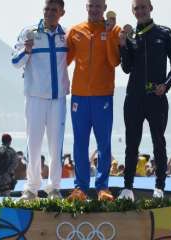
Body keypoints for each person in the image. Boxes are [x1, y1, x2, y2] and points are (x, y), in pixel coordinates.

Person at [119, 0, 171, 200]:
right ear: (132, 11)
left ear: (151, 8)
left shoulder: (164, 32)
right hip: (134, 97)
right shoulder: (131, 35)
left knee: (158, 142)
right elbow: (126, 67)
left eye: (143, 7)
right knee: (131, 144)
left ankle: (159, 187)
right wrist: (122, 44)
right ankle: (128, 188)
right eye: (136, 8)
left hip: (156, 97)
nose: (140, 11)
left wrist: (166, 85)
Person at [12, 0, 69, 200]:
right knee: (33, 143)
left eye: (54, 10)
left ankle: (54, 187)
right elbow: (15, 62)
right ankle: (32, 187)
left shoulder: (66, 35)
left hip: (58, 98)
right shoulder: (29, 33)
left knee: (56, 144)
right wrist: (26, 51)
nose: (50, 13)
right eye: (47, 9)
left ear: (62, 12)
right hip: (35, 97)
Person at [66, 0, 121, 202]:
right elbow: (64, 61)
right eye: (91, 5)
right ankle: (80, 187)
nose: (95, 9)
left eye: (99, 6)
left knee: (103, 143)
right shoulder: (75, 31)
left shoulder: (114, 30)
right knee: (80, 143)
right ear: (86, 7)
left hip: (103, 95)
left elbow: (115, 61)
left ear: (105, 8)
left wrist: (107, 34)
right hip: (79, 96)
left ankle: (102, 187)